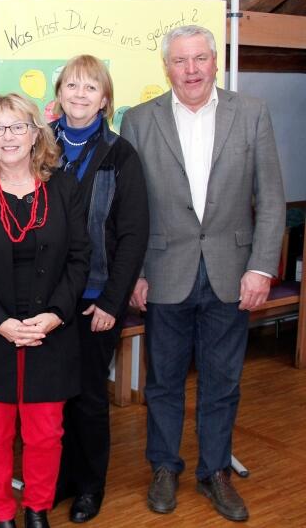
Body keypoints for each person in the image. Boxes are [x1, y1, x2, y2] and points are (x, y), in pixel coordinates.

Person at [121, 25, 285, 523]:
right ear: (166, 67)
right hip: (163, 272)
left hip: (233, 275)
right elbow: (131, 209)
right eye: (179, 61)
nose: (190, 70)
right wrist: (137, 273)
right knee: (164, 383)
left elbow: (272, 197)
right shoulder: (138, 120)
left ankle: (215, 473)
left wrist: (260, 267)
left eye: (199, 59)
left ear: (215, 61)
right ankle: (164, 467)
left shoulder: (251, 112)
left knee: (223, 382)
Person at [0, 93, 89, 528]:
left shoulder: (63, 185)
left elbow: (81, 257)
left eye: (18, 126)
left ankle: (38, 508)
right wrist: (1, 323)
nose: (8, 137)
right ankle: (0, 513)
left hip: (52, 329)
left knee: (46, 431)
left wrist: (58, 314)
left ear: (35, 133)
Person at [50, 55, 149, 523]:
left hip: (95, 301)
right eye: (72, 85)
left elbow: (133, 234)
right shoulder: (38, 145)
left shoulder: (120, 154)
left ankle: (90, 486)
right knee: (55, 394)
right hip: (47, 301)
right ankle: (62, 478)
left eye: (91, 87)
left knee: (89, 396)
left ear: (105, 99)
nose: (80, 94)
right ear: (60, 93)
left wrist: (112, 301)